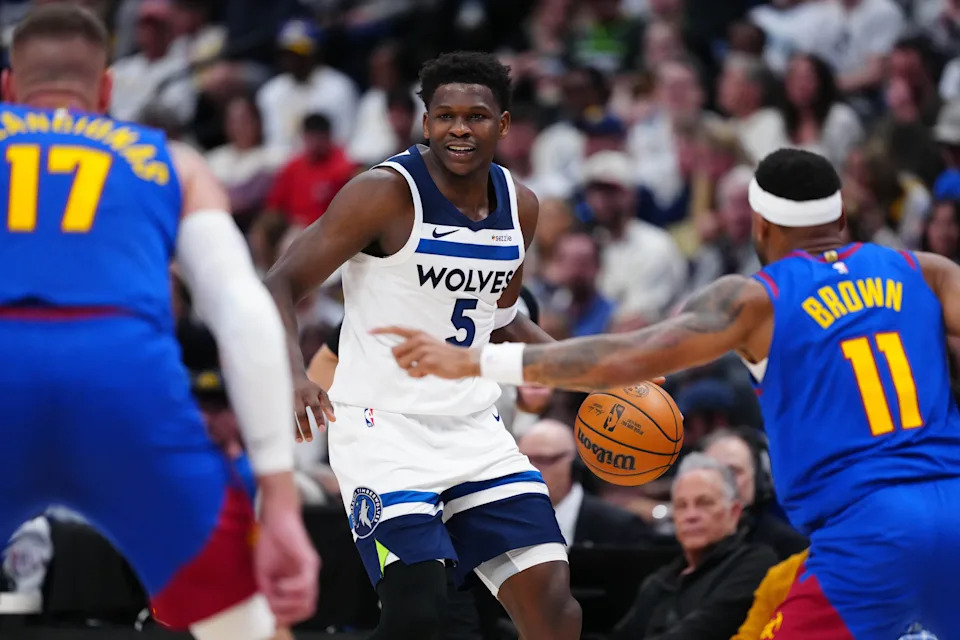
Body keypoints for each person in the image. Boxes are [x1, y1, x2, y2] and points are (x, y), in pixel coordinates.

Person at [379, 147, 960, 639]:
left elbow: (625, 358)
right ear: (842, 215)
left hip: (868, 533)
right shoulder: (927, 271)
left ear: (759, 224)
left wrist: (476, 359)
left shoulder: (755, 298)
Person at [0, 5, 319, 640]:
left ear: (9, 88)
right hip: (123, 376)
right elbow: (243, 311)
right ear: (108, 89)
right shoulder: (170, 161)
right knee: (247, 626)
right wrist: (279, 496)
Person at [264, 51, 581, 640]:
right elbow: (279, 283)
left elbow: (503, 319)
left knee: (556, 610)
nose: (460, 128)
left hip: (472, 427)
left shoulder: (522, 207)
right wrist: (293, 375)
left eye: (477, 116)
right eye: (445, 115)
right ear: (427, 122)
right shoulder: (383, 193)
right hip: (383, 429)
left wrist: (601, 371)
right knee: (420, 618)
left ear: (504, 125)